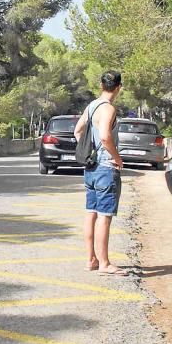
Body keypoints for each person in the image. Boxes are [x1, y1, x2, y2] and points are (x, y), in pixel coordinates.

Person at [74, 70, 127, 276]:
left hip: (91, 168)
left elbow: (77, 131)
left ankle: (91, 259)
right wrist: (117, 157)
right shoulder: (108, 109)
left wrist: (88, 151)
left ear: (101, 85)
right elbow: (105, 136)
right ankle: (104, 263)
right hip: (106, 167)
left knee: (91, 213)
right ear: (118, 87)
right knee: (105, 217)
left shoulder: (92, 106)